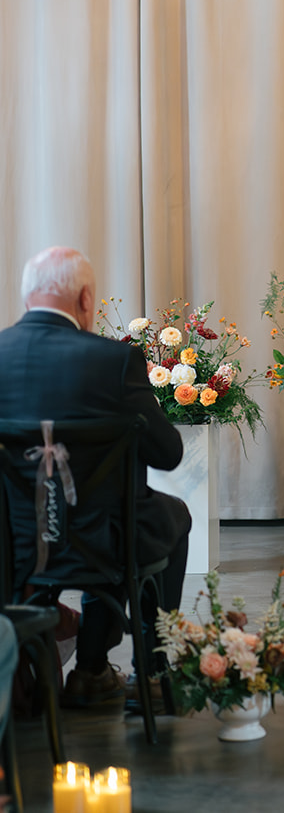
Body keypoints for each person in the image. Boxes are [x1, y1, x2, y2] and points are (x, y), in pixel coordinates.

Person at [0, 247, 189, 707]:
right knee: (169, 516)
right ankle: (144, 672)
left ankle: (65, 670)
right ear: (86, 299)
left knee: (110, 515)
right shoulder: (114, 362)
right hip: (101, 540)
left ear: (26, 297)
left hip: (14, 545)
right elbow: (168, 454)